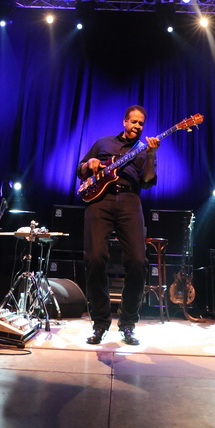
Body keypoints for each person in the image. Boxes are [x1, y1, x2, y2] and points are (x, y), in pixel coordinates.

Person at [77, 106, 160, 345]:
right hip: (99, 201)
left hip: (130, 200)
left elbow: (147, 181)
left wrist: (152, 155)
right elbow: (80, 169)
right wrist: (90, 162)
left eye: (141, 123)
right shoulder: (103, 143)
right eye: (133, 121)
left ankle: (128, 323)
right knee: (94, 259)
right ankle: (100, 324)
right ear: (125, 121)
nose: (137, 126)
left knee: (137, 261)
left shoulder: (143, 150)